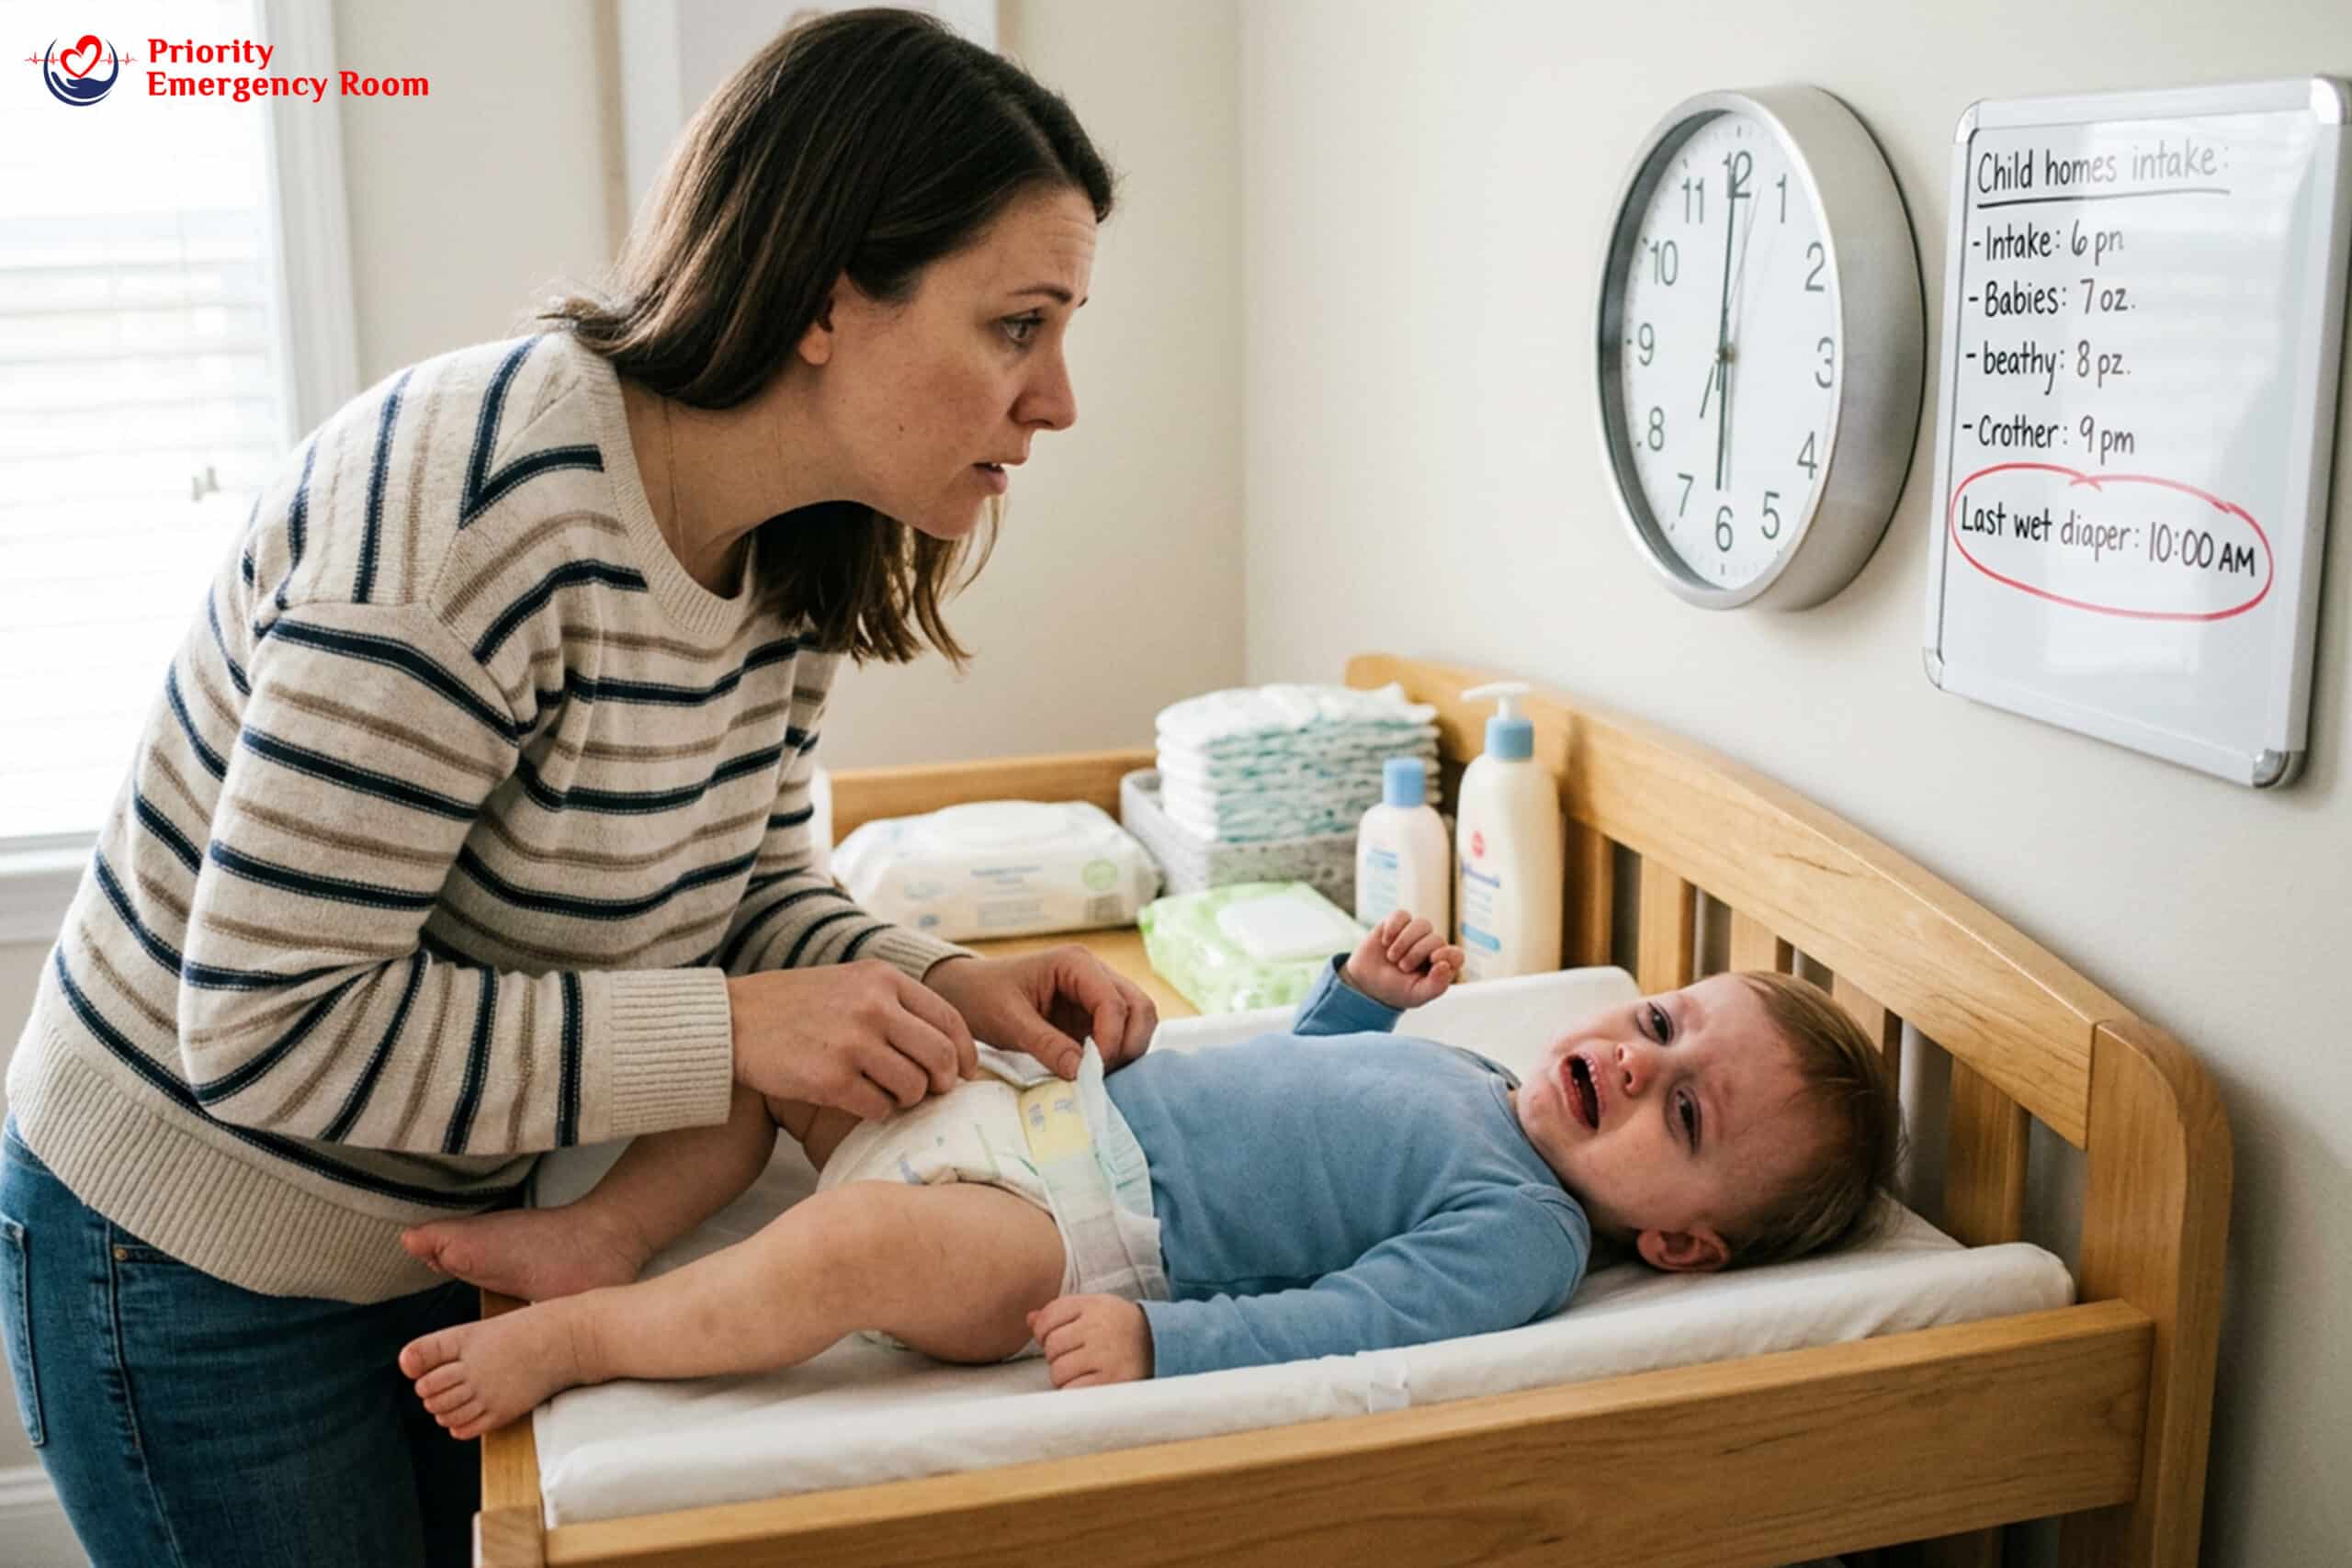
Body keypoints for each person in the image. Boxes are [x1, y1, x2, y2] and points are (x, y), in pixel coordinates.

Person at [0, 11, 1141, 1566]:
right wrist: (734, 1033)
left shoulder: (795, 544)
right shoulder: (468, 510)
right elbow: (269, 1026)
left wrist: (929, 979)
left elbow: (727, 878)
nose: (1058, 398)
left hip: (440, 1218)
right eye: (1019, 325)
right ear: (826, 302)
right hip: (193, 1248)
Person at [393, 910, 1905, 1433]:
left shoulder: (1519, 1237)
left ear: (1687, 1250)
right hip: (1033, 1101)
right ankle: (606, 1232)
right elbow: (1300, 1084)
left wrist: (1162, 1340)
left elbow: (1353, 1320)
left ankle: (583, 1334)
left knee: (851, 1254)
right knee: (786, 1047)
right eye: (1660, 1024)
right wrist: (1361, 998)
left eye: (1687, 1117)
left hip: (1066, 1227)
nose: (1642, 1064)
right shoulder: (1478, 1076)